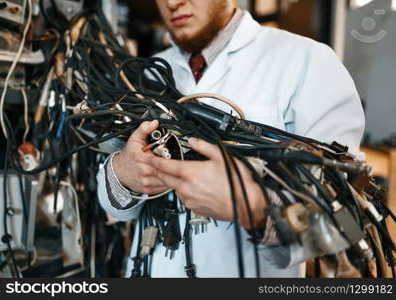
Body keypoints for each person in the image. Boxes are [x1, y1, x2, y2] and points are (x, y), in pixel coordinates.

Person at [97, 0, 365, 277]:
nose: (173, 3)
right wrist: (122, 175)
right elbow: (111, 204)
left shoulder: (307, 61)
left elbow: (347, 211)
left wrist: (256, 208)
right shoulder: (146, 71)